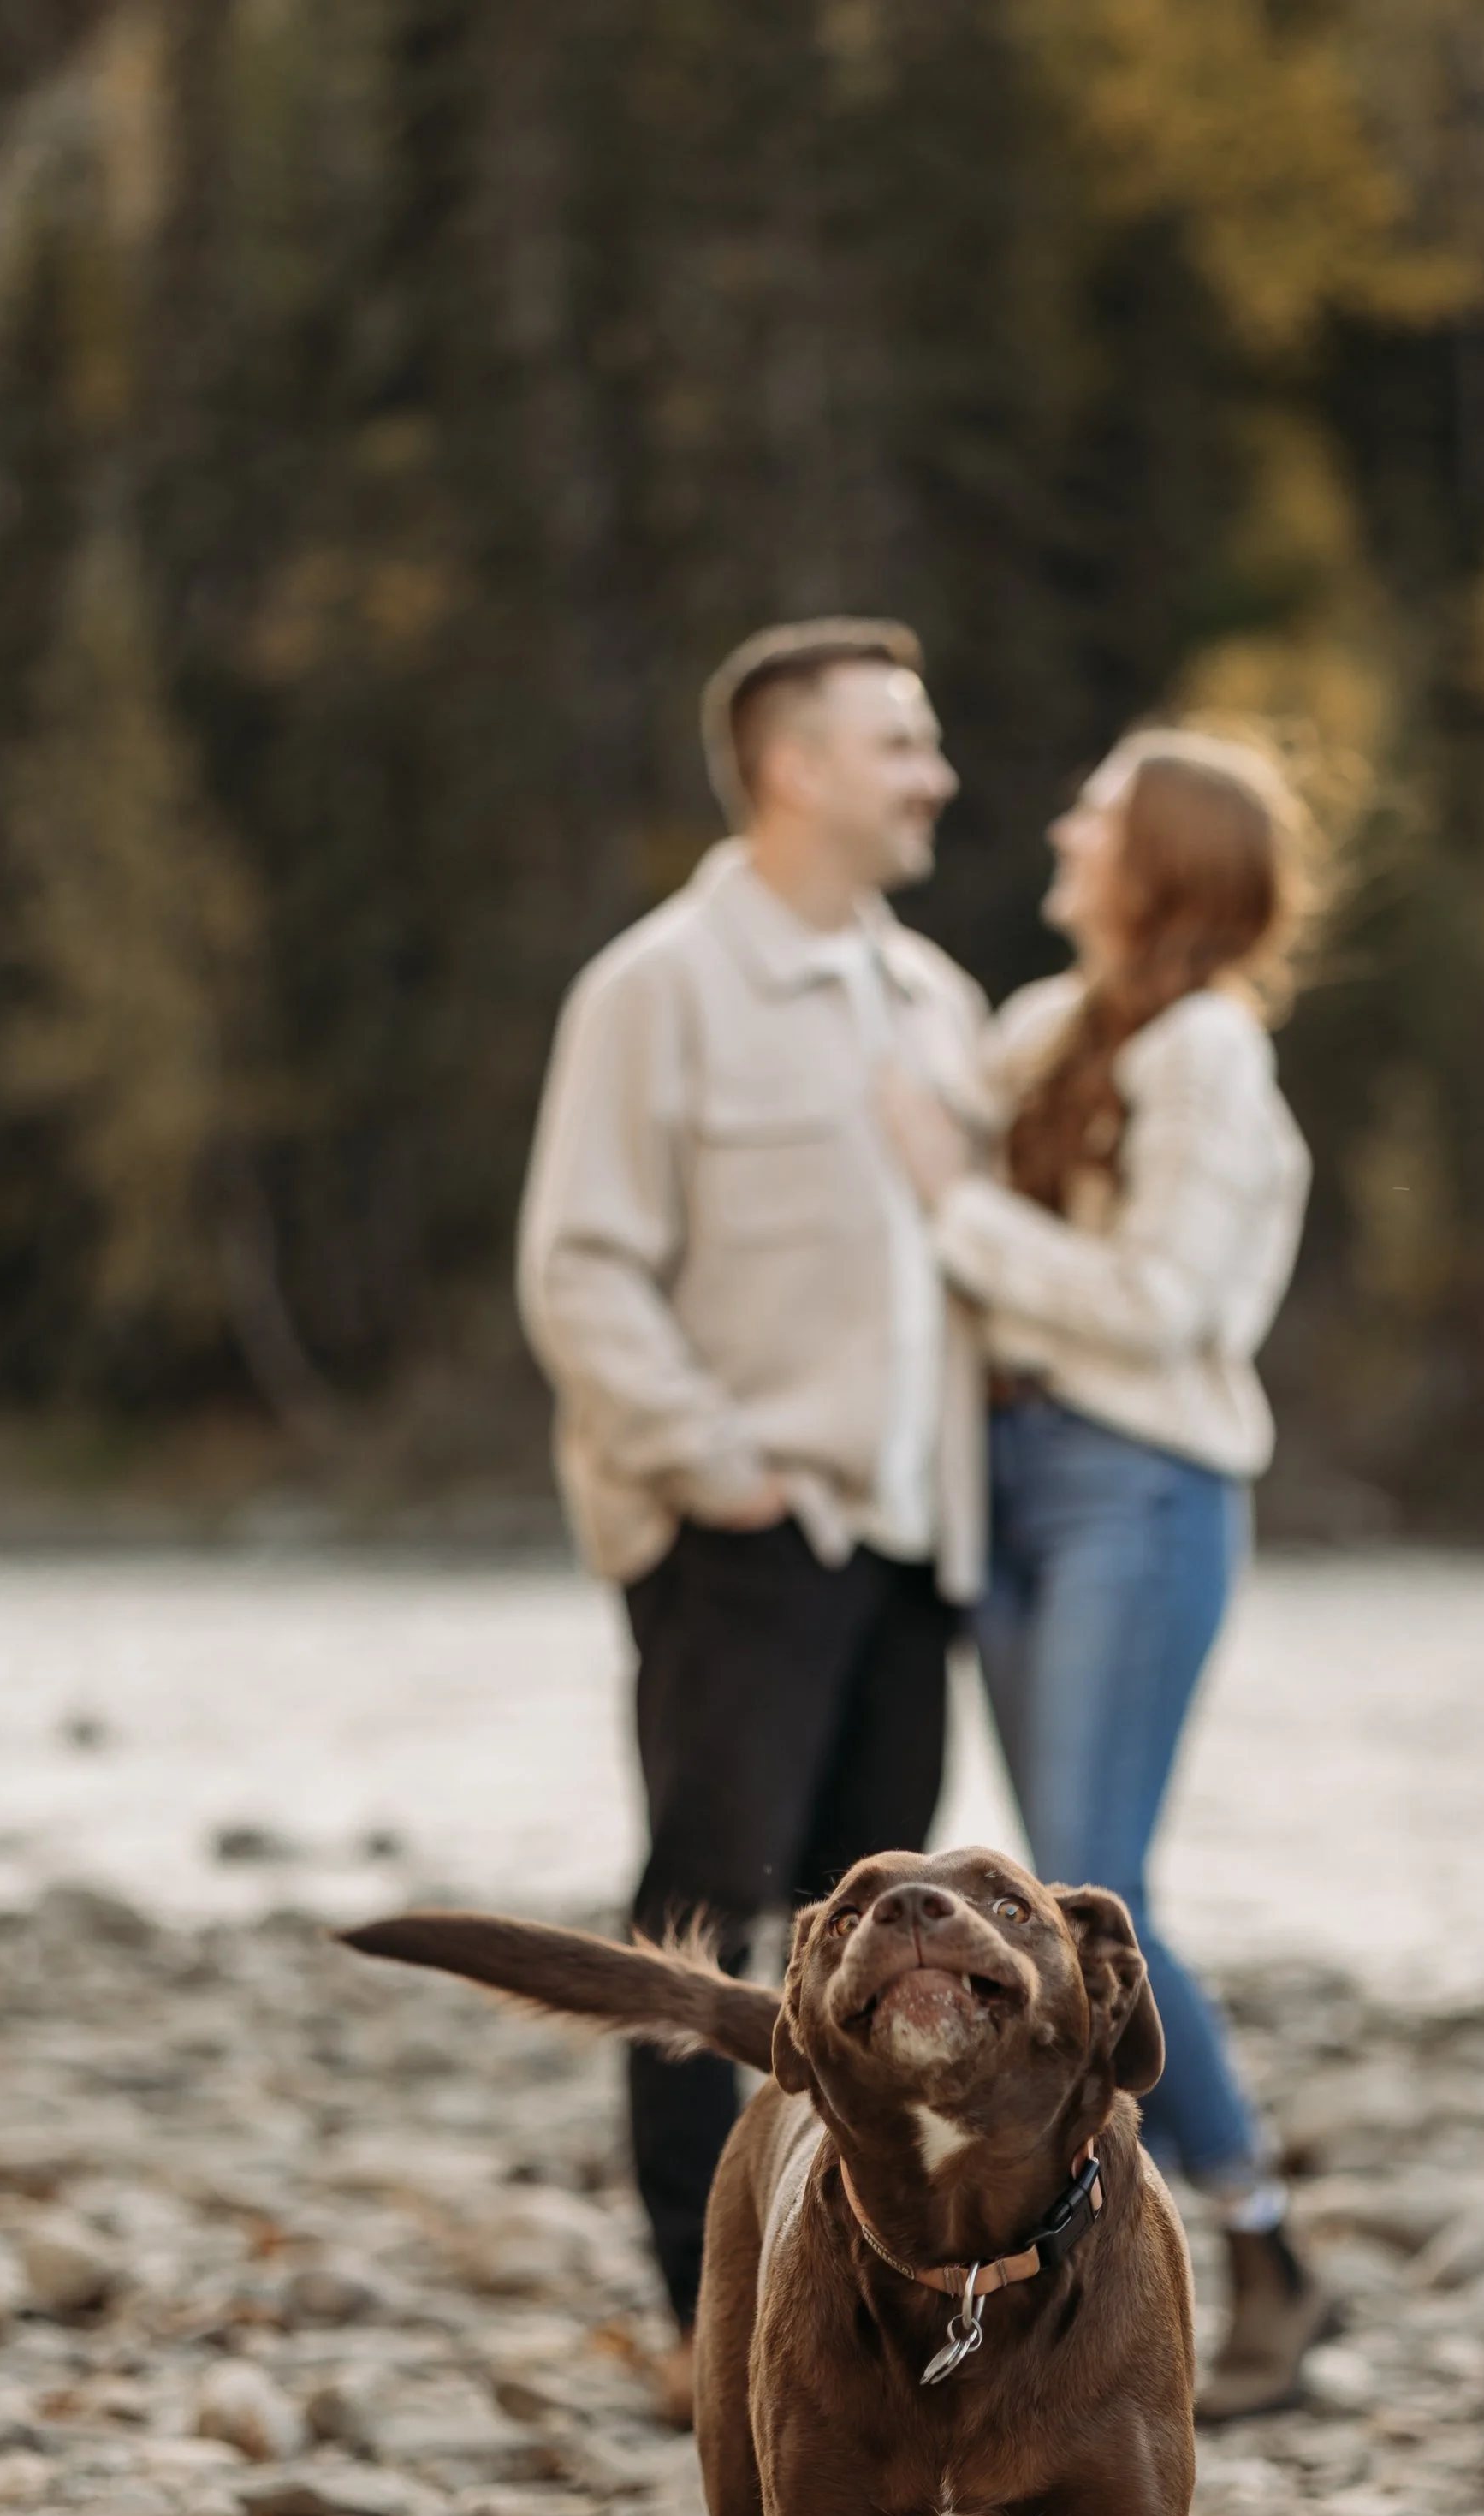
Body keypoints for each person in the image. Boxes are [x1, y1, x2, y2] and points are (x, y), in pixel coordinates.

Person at [518, 619, 986, 2423]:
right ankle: (705, 2323)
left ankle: (857, 2299)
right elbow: (578, 1264)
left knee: (885, 1955)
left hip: (904, 1551)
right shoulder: (656, 989)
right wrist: (711, 1462)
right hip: (737, 1536)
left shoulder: (931, 1005)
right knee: (703, 1930)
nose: (932, 775)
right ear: (794, 767)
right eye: (901, 743)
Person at [879, 725, 1329, 2420]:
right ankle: (1083, 2271)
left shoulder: (1209, 1052)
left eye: (1100, 813)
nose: (1061, 825)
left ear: (1166, 867)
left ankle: (1259, 2232)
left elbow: (1167, 1306)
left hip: (1136, 1483)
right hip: (1001, 1476)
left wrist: (953, 1204)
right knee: (1045, 1890)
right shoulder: (1038, 1027)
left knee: (1085, 1888)